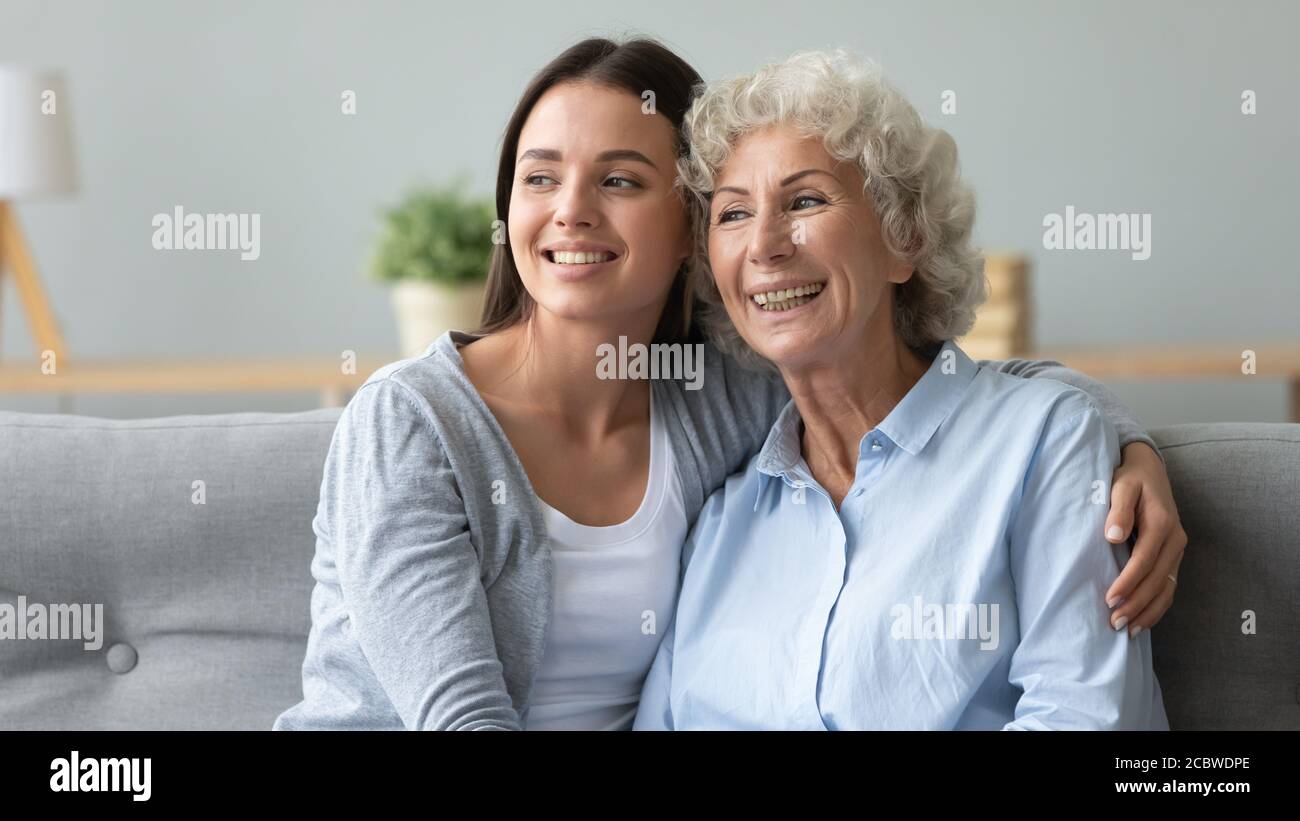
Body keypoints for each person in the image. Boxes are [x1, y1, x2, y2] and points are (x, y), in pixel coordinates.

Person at [275, 38, 1185, 731]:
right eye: (539, 176)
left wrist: (1116, 433)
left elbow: (948, 391)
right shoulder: (416, 422)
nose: (571, 210)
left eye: (621, 179)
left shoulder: (719, 407)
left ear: (684, 237)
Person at [634, 49, 1169, 729]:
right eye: (733, 214)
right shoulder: (719, 523)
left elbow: (1087, 718)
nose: (764, 244)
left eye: (804, 200)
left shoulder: (1041, 444)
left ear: (904, 237)